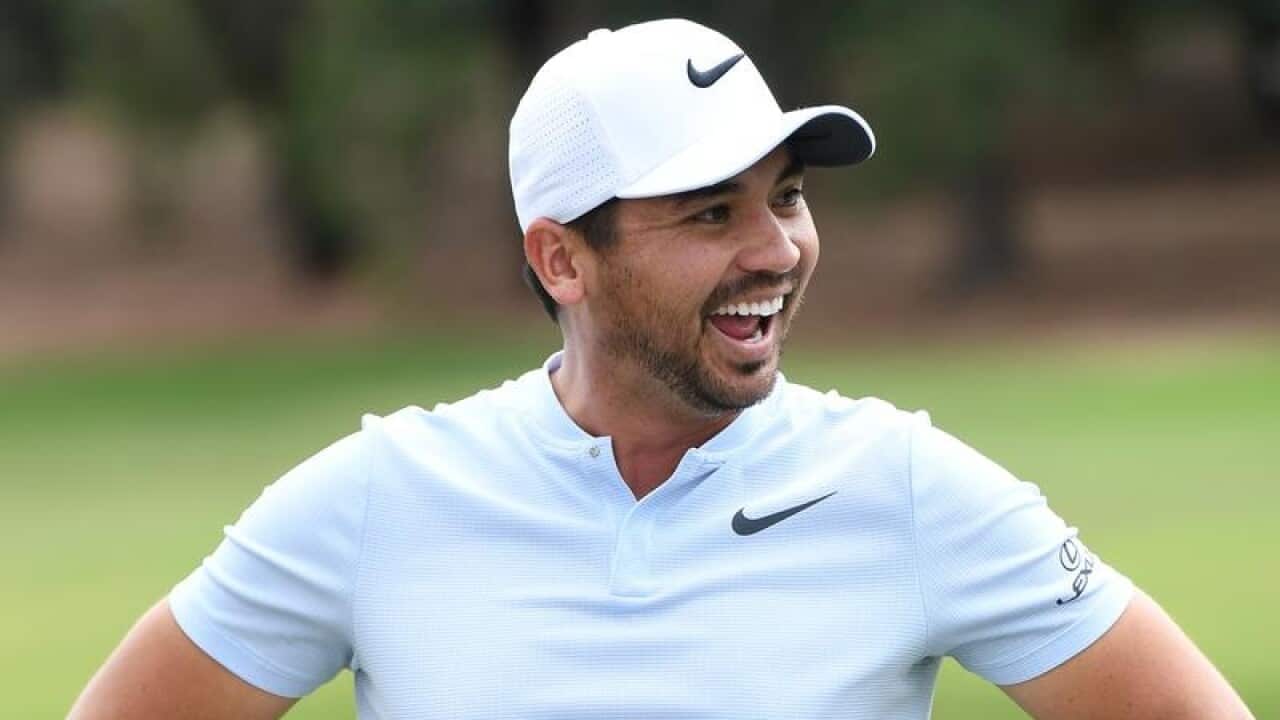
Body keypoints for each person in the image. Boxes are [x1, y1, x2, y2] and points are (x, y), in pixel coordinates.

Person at [71, 18, 1253, 720]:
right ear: (560, 259)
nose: (775, 249)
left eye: (785, 198)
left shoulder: (907, 488)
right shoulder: (381, 496)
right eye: (707, 214)